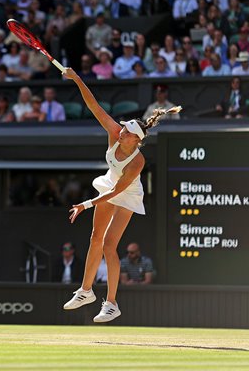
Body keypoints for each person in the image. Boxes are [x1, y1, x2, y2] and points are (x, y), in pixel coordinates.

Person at [61, 67, 180, 322]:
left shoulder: (137, 163)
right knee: (95, 238)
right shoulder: (114, 133)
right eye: (123, 128)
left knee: (109, 245)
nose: (121, 131)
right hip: (109, 184)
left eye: (127, 132)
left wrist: (85, 204)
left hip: (126, 193)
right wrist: (77, 78)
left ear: (135, 141)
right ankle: (85, 291)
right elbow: (93, 106)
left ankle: (112, 303)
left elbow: (117, 192)